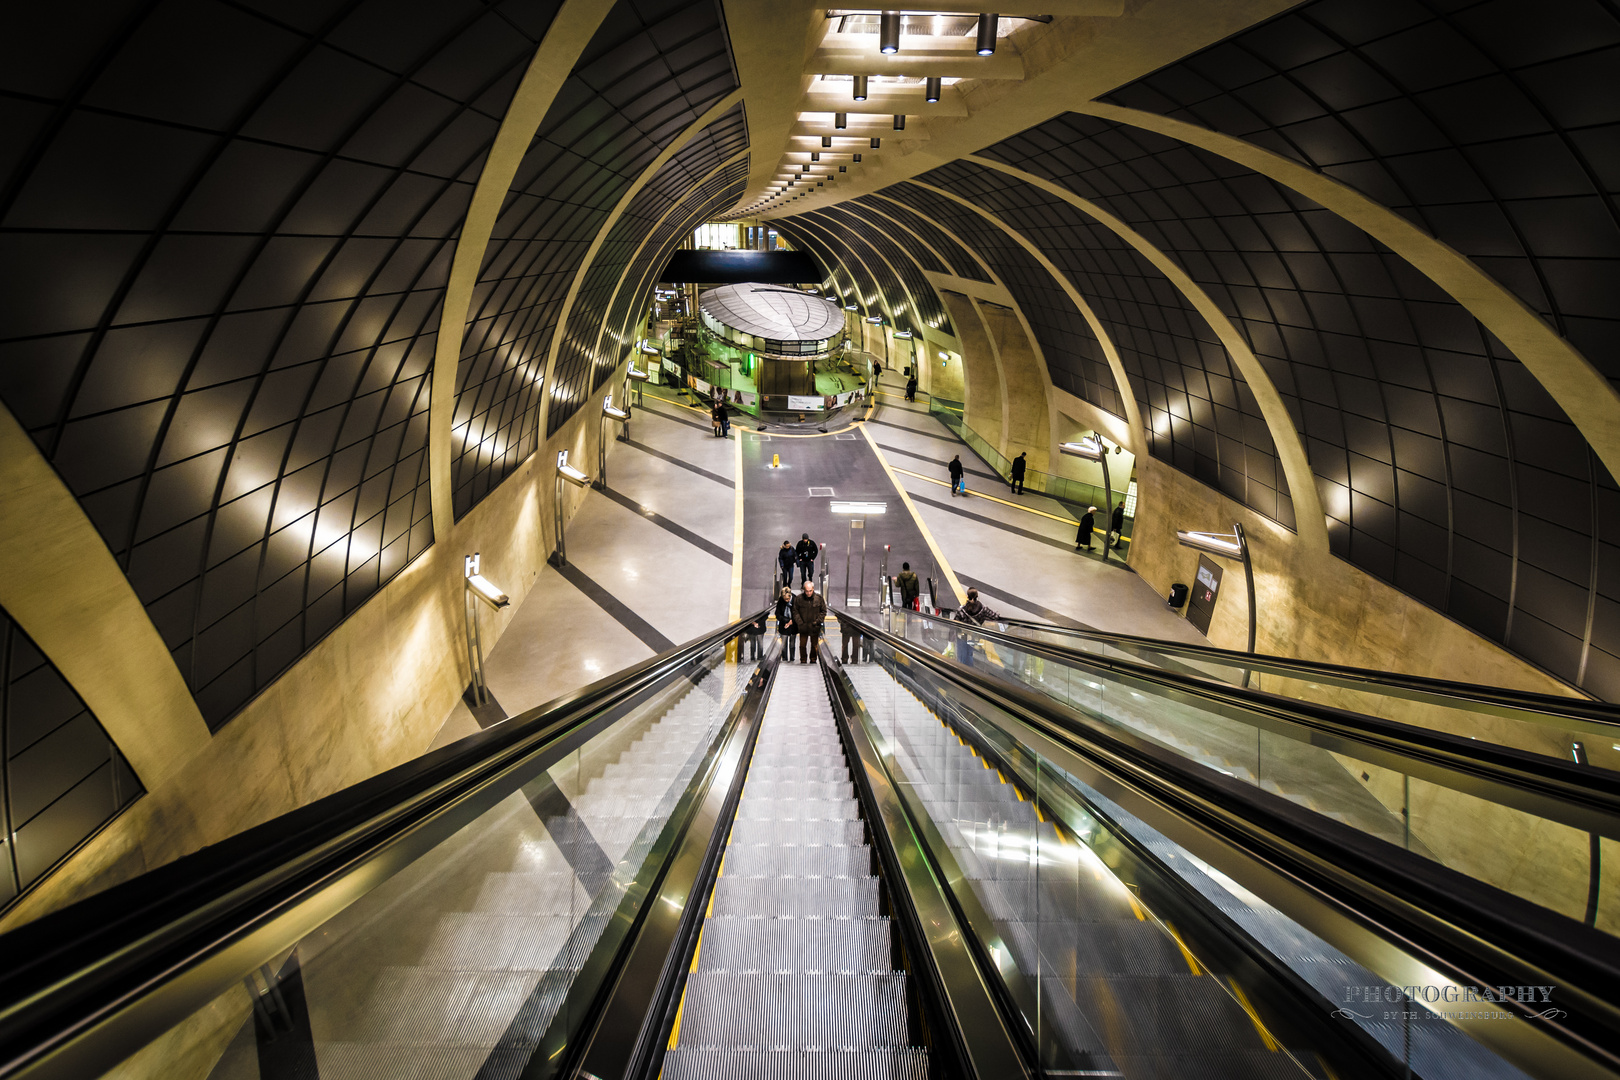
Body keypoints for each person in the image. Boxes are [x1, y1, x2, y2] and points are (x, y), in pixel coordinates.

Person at [952, 587, 1000, 667]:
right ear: (977, 596)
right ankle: (970, 673)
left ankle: (962, 673)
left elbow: (954, 623)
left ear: (967, 596)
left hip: (962, 636)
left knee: (962, 657)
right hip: (973, 636)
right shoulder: (983, 609)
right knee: (970, 655)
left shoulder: (961, 610)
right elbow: (995, 617)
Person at [792, 581, 827, 663]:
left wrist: (817, 621)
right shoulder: (799, 599)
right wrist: (800, 623)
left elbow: (823, 611)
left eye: (810, 591)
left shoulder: (819, 598)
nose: (808, 593)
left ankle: (813, 659)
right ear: (804, 590)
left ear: (813, 589)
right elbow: (795, 611)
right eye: (806, 591)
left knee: (814, 645)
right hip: (803, 626)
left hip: (815, 626)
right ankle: (803, 660)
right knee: (802, 645)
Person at [775, 586, 796, 650]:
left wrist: (791, 621)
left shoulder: (796, 600)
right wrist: (787, 620)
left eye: (788, 599)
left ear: (790, 595)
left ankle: (792, 659)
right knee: (783, 644)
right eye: (785, 599)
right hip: (784, 625)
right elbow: (777, 614)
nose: (786, 601)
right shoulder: (781, 600)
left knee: (792, 643)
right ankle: (784, 658)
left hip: (793, 625)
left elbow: (799, 613)